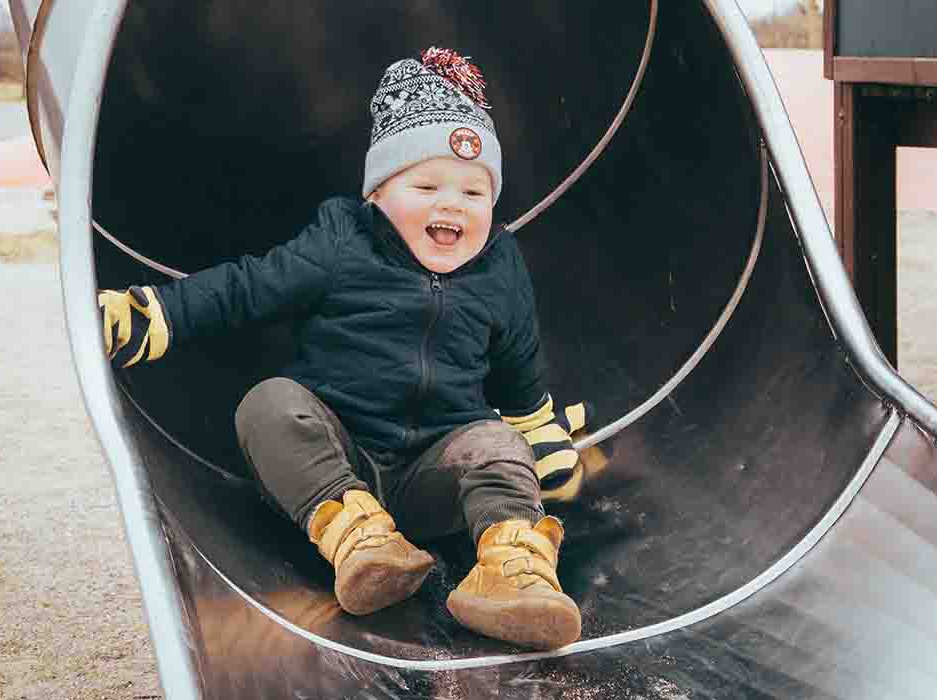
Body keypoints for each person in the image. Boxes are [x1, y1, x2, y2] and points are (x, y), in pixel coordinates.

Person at [97, 47, 587, 651]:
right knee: (270, 405)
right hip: (334, 458)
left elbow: (518, 366)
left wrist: (543, 441)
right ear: (378, 194)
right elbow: (250, 286)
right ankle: (358, 537)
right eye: (427, 184)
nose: (451, 204)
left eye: (474, 193)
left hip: (436, 473)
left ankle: (509, 570)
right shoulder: (343, 240)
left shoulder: (500, 265)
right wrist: (155, 315)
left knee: (497, 443)